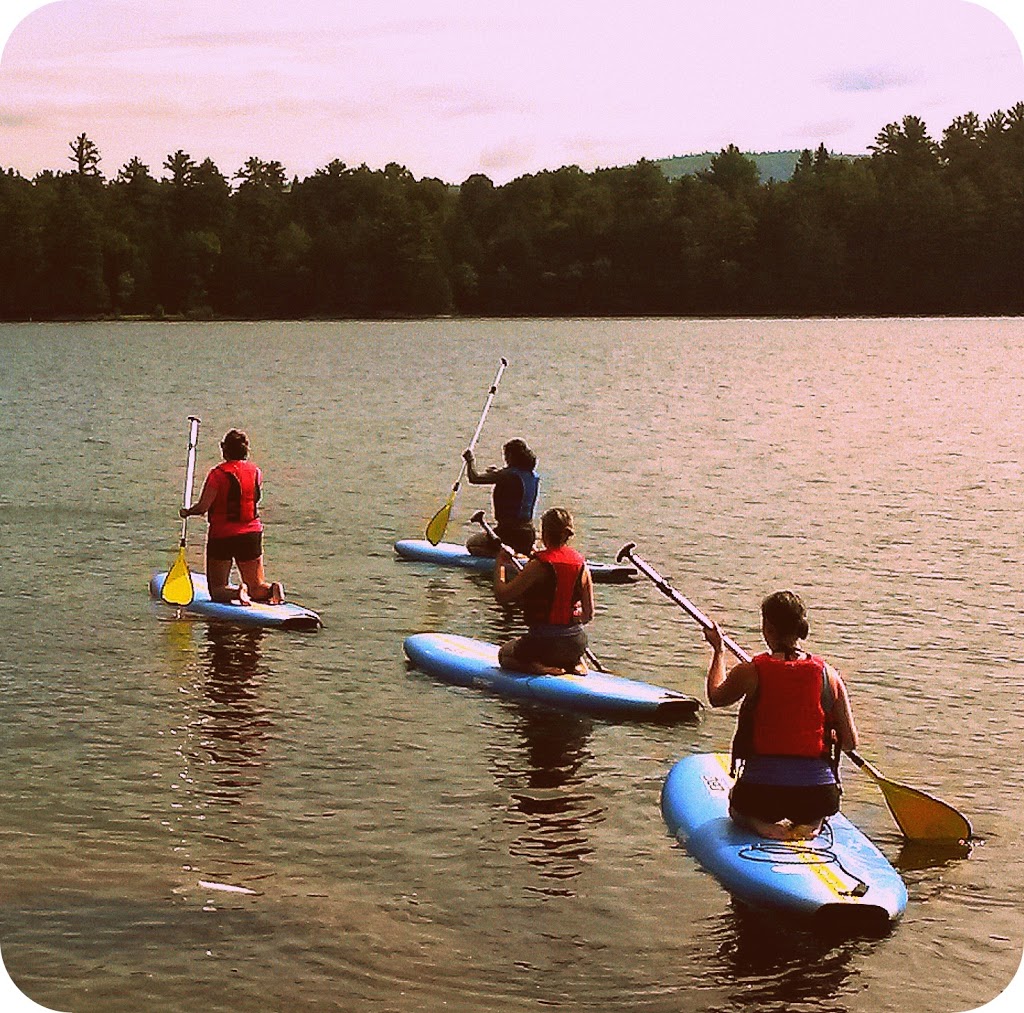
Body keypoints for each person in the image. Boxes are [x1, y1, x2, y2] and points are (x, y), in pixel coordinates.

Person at [703, 590, 858, 841]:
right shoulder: (829, 675)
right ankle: (814, 824)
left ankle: (761, 826)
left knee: (735, 808)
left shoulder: (751, 671)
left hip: (763, 795)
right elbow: (851, 742)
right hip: (818, 796)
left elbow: (716, 696)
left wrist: (718, 651)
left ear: (768, 629)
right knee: (818, 809)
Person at [179, 428, 284, 606]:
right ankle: (271, 589)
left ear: (224, 449)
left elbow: (204, 506)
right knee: (257, 587)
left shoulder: (217, 475)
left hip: (223, 535)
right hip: (251, 534)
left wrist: (187, 511)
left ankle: (238, 591)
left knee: (217, 590)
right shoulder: (256, 472)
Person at [492, 507, 595, 675]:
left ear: (544, 533)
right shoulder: (582, 566)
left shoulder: (538, 565)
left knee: (505, 655)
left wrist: (500, 564)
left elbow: (502, 596)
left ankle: (537, 667)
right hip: (577, 643)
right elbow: (588, 615)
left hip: (543, 644)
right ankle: (576, 663)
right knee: (566, 643)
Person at [463, 438, 539, 556]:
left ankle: (504, 556)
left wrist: (470, 460)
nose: (505, 459)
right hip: (528, 536)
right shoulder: (532, 475)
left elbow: (474, 478)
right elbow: (513, 481)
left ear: (511, 456)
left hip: (509, 533)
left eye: (506, 455)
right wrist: (496, 473)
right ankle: (522, 552)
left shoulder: (506, 475)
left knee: (472, 544)